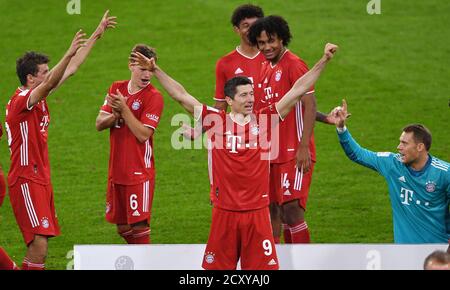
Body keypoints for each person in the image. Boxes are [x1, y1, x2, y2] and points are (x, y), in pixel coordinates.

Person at [130, 42, 338, 269]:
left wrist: (324, 60)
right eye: (243, 95)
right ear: (229, 100)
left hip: (258, 215)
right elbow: (181, 95)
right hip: (225, 214)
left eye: (251, 94)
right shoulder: (215, 121)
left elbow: (298, 89)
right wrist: (156, 69)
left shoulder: (264, 120)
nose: (250, 99)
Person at [5, 11, 116, 270]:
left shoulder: (37, 96)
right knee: (38, 245)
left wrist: (97, 34)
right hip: (25, 178)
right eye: (44, 71)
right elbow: (55, 77)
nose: (49, 74)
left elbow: (72, 69)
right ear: (31, 78)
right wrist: (67, 52)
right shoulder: (22, 100)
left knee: (41, 246)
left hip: (40, 176)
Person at [248, 15, 335, 244]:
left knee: (292, 210)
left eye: (271, 41)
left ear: (282, 39)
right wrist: (326, 119)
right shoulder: (266, 67)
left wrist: (304, 146)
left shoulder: (294, 64)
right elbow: (281, 107)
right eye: (261, 43)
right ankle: (277, 261)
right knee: (272, 209)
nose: (267, 47)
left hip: (293, 152)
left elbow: (309, 103)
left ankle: (302, 261)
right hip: (270, 153)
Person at [334, 100, 450, 244]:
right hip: (402, 253)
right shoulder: (392, 164)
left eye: (404, 143)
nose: (398, 147)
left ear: (420, 147)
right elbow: (357, 154)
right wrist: (341, 128)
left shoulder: (444, 173)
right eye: (400, 141)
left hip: (437, 253)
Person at [95, 44, 164, 244]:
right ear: (130, 65)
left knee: (139, 225)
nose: (147, 75)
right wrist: (115, 115)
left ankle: (147, 263)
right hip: (116, 171)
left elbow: (143, 134)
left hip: (139, 172)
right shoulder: (116, 87)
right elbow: (99, 123)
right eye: (142, 69)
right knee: (122, 226)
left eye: (150, 69)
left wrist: (124, 110)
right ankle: (143, 259)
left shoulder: (154, 97)